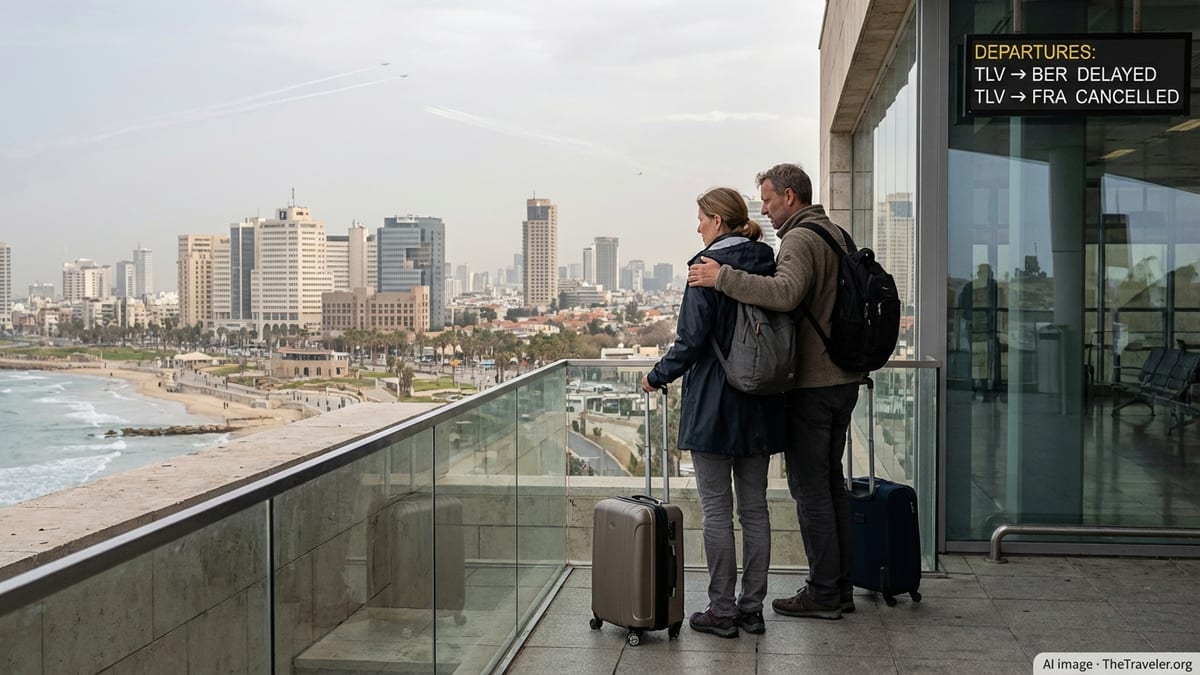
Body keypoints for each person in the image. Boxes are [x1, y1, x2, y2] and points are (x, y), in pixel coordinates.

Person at [687, 163, 863, 620]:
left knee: (811, 490)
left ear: (790, 196)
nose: (763, 209)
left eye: (767, 199)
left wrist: (720, 278)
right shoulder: (836, 234)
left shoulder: (801, 239)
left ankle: (824, 592)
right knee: (829, 485)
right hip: (843, 378)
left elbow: (784, 294)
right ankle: (840, 586)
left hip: (816, 383)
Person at [641, 186, 787, 638]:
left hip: (713, 405)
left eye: (701, 218)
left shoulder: (705, 269)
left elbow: (691, 341)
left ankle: (722, 609)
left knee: (718, 512)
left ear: (718, 222)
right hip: (761, 402)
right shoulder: (769, 263)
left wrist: (656, 375)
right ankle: (752, 607)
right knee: (756, 511)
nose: (697, 226)